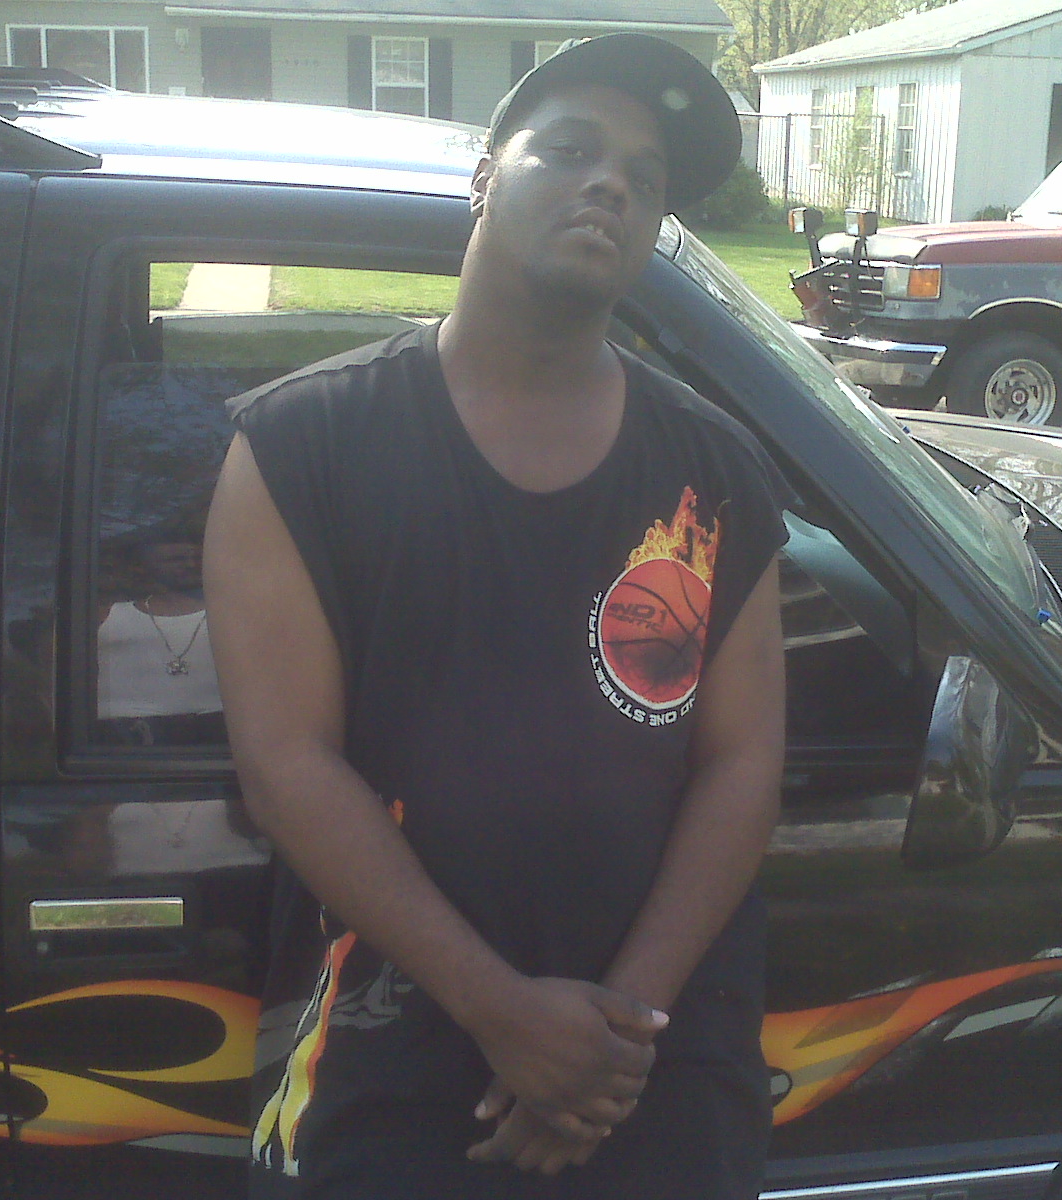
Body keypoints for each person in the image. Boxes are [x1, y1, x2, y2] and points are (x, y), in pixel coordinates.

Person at [205, 33, 789, 1199]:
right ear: (483, 177)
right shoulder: (300, 445)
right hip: (391, 1058)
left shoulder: (714, 471)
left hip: (657, 1065)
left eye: (643, 177)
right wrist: (503, 1012)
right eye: (568, 150)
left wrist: (613, 1037)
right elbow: (286, 765)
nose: (609, 184)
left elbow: (742, 762)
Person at [96, 529, 226, 746]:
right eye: (176, 560)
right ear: (146, 566)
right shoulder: (107, 616)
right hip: (123, 741)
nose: (190, 565)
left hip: (218, 738)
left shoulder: (231, 614)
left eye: (196, 558)